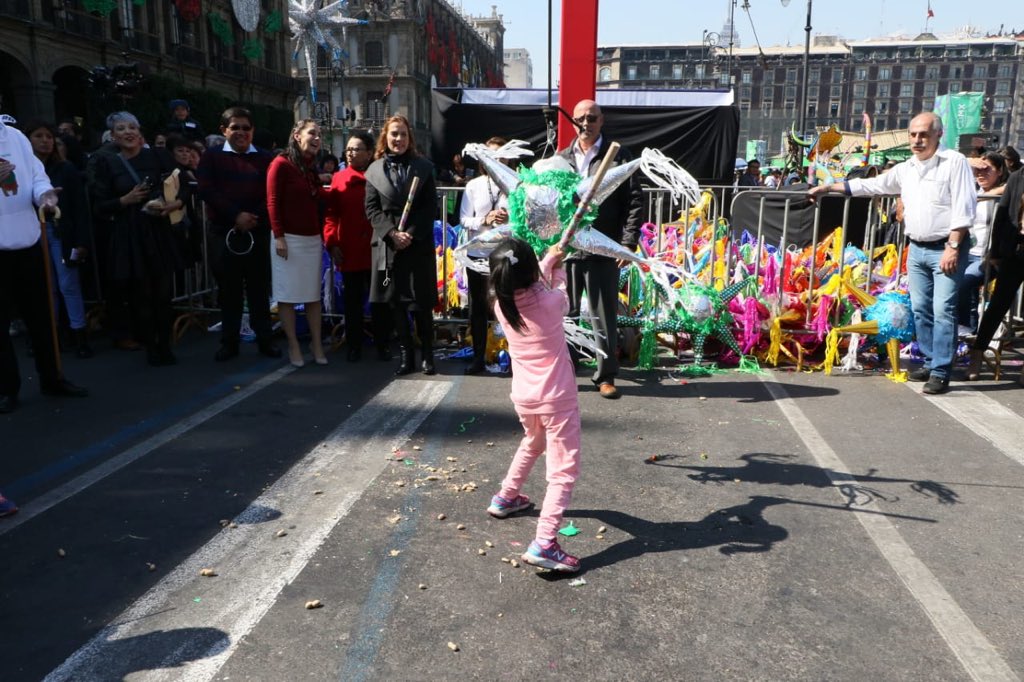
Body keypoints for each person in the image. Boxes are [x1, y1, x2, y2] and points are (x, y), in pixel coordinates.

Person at [809, 112, 976, 394]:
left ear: (938, 134)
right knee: (921, 308)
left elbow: (964, 206)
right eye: (913, 134)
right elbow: (872, 185)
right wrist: (829, 187)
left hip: (946, 247)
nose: (917, 140)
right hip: (917, 248)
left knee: (942, 309)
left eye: (923, 134)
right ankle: (929, 359)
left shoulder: (954, 162)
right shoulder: (907, 167)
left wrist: (954, 246)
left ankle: (941, 370)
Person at [485, 238, 581, 573]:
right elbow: (559, 295)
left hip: (525, 397)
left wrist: (545, 261)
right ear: (528, 271)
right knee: (563, 472)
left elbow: (532, 285)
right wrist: (559, 268)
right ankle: (544, 542)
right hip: (556, 398)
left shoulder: (501, 302)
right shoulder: (552, 302)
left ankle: (506, 497)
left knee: (534, 442)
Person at [0, 116, 88, 413]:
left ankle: (52, 378)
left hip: (27, 242)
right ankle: (5, 389)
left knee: (42, 317)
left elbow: (37, 176)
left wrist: (45, 196)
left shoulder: (16, 136)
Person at [557, 99, 643, 399]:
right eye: (580, 117)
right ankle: (565, 371)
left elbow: (634, 202)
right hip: (567, 250)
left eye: (592, 117)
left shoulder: (618, 157)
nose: (586, 122)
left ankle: (605, 375)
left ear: (602, 120)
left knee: (602, 315)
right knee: (563, 314)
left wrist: (628, 242)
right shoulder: (561, 158)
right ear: (572, 121)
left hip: (602, 247)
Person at [88, 111, 188, 367]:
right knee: (141, 296)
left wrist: (172, 204)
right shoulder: (106, 163)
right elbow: (99, 205)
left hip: (159, 231)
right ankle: (151, 347)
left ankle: (165, 345)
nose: (128, 132)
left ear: (140, 131)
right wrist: (125, 200)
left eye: (132, 126)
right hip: (130, 235)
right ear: (113, 135)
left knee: (163, 294)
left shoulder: (157, 156)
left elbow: (183, 183)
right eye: (121, 128)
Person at [196, 107, 281, 362]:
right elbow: (207, 190)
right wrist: (236, 216)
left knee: (259, 289)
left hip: (257, 231)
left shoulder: (266, 159)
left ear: (253, 130)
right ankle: (229, 342)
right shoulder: (211, 157)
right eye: (235, 127)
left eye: (246, 127)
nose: (241, 132)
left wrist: (252, 218)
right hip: (224, 232)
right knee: (229, 291)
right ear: (224, 130)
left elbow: (272, 194)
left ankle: (265, 340)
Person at [364, 114, 439, 376]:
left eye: (403, 134)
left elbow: (430, 207)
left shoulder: (424, 167)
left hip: (417, 242)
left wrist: (410, 234)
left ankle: (428, 355)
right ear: (386, 137)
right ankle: (406, 357)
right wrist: (392, 234)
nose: (399, 139)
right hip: (388, 245)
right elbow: (372, 209)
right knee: (396, 302)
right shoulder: (373, 170)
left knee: (421, 302)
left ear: (410, 138)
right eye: (394, 134)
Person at [25, 120, 93, 358]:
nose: (45, 141)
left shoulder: (66, 170)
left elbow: (79, 208)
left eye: (48, 136)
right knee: (46, 288)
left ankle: (79, 333)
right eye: (38, 135)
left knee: (67, 284)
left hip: (60, 233)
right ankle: (51, 336)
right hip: (31, 235)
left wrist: (82, 241)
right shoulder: (22, 170)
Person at [323, 130, 391, 362]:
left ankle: (383, 345)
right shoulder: (339, 178)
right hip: (350, 249)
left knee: (381, 300)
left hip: (378, 248)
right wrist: (331, 242)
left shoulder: (381, 174)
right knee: (352, 303)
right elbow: (331, 215)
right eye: (348, 149)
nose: (350, 153)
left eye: (356, 149)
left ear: (369, 153)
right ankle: (354, 345)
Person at [267, 118, 328, 368]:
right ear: (297, 136)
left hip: (312, 239)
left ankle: (316, 344)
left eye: (319, 135)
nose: (317, 138)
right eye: (312, 133)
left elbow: (320, 198)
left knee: (313, 296)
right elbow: (272, 201)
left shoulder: (311, 168)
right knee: (288, 296)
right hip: (287, 240)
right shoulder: (280, 164)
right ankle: (293, 345)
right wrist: (279, 235)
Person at [966, 164, 1024, 383]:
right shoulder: (1018, 177)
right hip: (1014, 250)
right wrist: (996, 251)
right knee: (998, 305)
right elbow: (1002, 214)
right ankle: (977, 353)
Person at [459, 135, 511, 375]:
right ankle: (478, 356)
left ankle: (513, 357)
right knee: (478, 308)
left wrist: (509, 219)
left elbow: (525, 221)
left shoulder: (517, 184)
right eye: (489, 155)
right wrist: (485, 219)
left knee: (509, 305)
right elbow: (463, 219)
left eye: (500, 154)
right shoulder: (474, 185)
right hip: (478, 253)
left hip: (506, 254)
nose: (495, 159)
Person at [958, 152, 1008, 335]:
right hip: (966, 252)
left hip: (988, 255)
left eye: (987, 169)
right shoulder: (971, 191)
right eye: (977, 169)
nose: (981, 174)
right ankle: (967, 332)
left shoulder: (1005, 194)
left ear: (1000, 171)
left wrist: (992, 193)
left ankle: (968, 330)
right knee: (964, 290)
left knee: (966, 282)